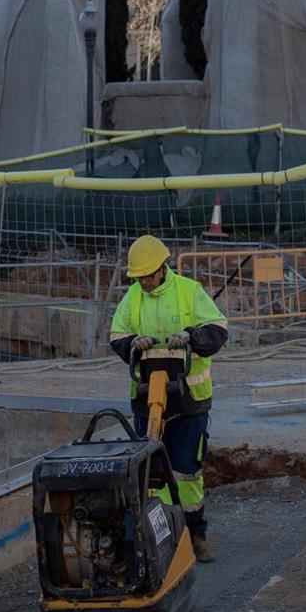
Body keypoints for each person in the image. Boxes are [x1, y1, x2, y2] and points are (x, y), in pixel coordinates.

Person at [108, 235, 229, 563]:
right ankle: (159, 539)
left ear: (163, 268)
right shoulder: (133, 298)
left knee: (187, 471)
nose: (144, 282)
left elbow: (218, 330)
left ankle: (195, 533)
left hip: (188, 400)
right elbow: (117, 335)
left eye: (148, 275)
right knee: (150, 474)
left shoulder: (189, 291)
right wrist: (133, 342)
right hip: (148, 400)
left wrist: (192, 337)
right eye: (139, 278)